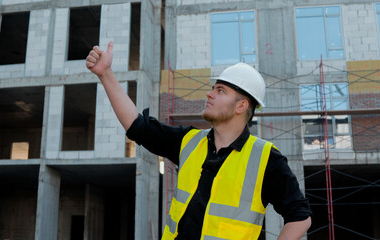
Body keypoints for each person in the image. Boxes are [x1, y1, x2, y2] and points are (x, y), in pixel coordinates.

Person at [86, 42, 312, 240]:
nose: (209, 94)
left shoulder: (266, 159)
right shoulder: (189, 142)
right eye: (213, 88)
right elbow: (138, 127)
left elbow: (300, 218)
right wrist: (106, 74)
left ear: (241, 106)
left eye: (220, 91)